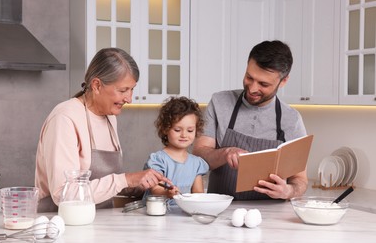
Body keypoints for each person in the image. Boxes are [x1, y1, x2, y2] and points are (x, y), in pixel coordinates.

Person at [35, 47, 171, 212]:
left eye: (132, 89)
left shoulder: (110, 117)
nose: (129, 99)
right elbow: (64, 194)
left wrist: (142, 184)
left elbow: (106, 184)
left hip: (98, 222)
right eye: (123, 90)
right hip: (59, 223)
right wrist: (126, 179)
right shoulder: (64, 118)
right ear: (97, 85)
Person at [192, 40, 308, 200]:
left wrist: (288, 191)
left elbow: (300, 180)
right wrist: (225, 153)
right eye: (249, 77)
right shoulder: (220, 102)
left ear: (283, 81)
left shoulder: (292, 120)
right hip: (220, 210)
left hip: (270, 217)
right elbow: (198, 155)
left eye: (263, 84)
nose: (253, 88)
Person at [143, 96, 209, 202]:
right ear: (165, 129)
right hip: (158, 213)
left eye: (190, 130)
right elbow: (155, 189)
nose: (184, 135)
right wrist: (167, 193)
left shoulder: (197, 163)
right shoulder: (158, 160)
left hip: (183, 214)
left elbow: (198, 194)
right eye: (177, 130)